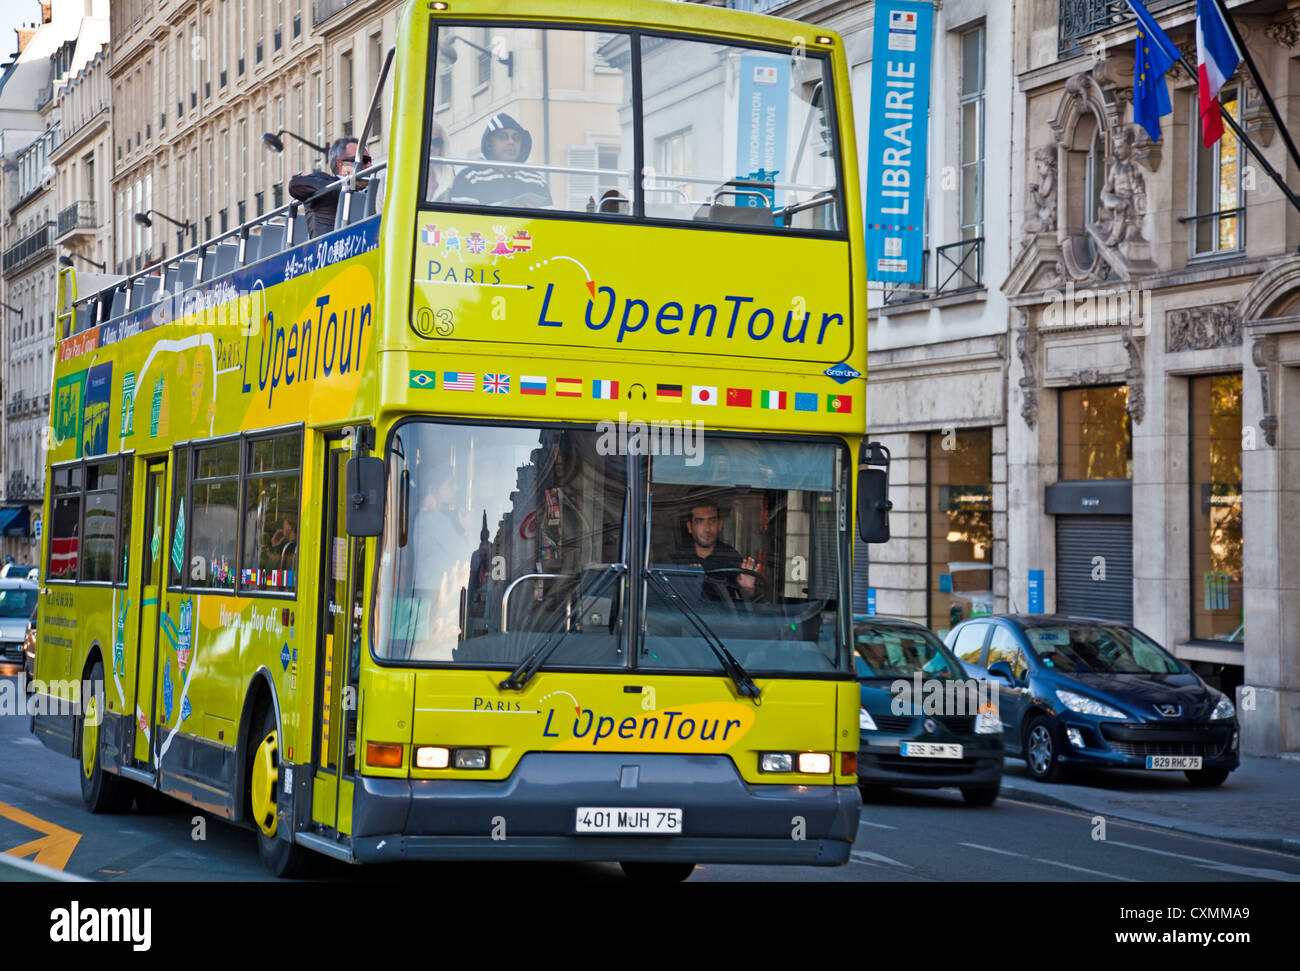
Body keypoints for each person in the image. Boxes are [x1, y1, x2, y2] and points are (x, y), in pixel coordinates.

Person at [445, 112, 553, 208]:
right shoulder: (469, 177)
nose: (511, 142)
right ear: (489, 144)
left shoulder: (537, 180)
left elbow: (549, 224)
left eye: (516, 138)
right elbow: (463, 220)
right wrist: (506, 207)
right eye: (503, 137)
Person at [668, 499, 760, 603]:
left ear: (720, 524)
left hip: (722, 617)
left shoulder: (730, 556)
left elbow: (753, 604)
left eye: (712, 521)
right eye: (700, 521)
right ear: (690, 527)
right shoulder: (677, 556)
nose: (707, 529)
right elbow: (665, 596)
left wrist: (749, 590)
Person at [289, 137, 371, 238]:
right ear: (342, 165)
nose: (370, 165)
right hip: (328, 248)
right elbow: (294, 185)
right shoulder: (325, 180)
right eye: (364, 161)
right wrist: (344, 190)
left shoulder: (371, 190)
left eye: (370, 160)